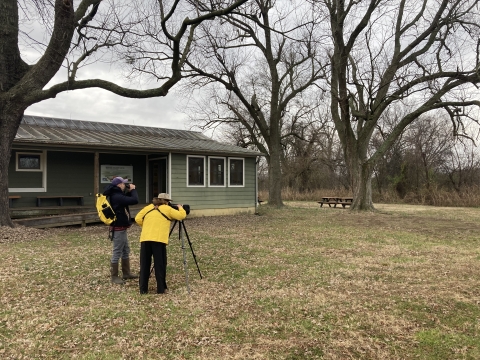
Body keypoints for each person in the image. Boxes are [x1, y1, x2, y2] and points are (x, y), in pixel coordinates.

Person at [135, 193, 186, 294]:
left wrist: (146, 227)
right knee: (160, 264)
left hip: (145, 238)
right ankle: (161, 289)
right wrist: (180, 207)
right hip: (159, 239)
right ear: (166, 202)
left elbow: (137, 219)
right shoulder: (167, 209)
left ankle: (143, 289)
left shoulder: (148, 207)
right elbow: (181, 216)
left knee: (144, 264)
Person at [103, 176, 139, 285]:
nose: (125, 185)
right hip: (118, 228)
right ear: (119, 185)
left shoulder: (117, 195)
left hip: (121, 227)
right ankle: (114, 276)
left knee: (125, 250)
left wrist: (128, 191)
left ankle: (126, 273)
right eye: (123, 183)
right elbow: (134, 200)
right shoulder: (116, 196)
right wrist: (133, 190)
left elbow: (126, 199)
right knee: (117, 251)